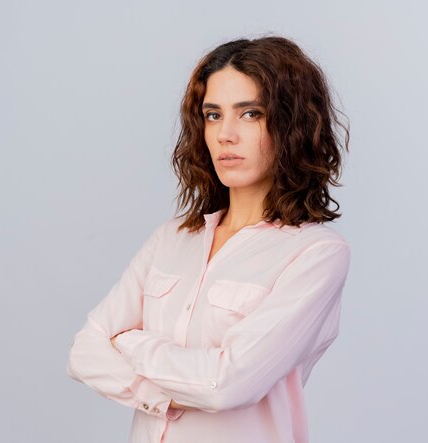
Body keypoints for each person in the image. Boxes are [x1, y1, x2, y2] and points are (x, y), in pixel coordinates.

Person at [67, 34, 351, 443]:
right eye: (213, 115)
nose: (225, 135)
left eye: (250, 113)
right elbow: (83, 353)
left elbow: (228, 384)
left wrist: (131, 344)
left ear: (292, 125)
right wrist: (160, 395)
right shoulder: (171, 239)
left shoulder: (316, 254)